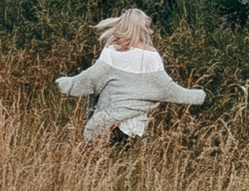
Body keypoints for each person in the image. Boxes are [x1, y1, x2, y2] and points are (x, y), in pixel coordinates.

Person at [56, 8, 205, 146]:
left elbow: (91, 78)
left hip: (107, 124)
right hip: (136, 128)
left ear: (123, 25)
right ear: (144, 28)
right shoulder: (152, 55)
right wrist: (198, 96)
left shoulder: (112, 51)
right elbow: (168, 89)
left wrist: (66, 84)